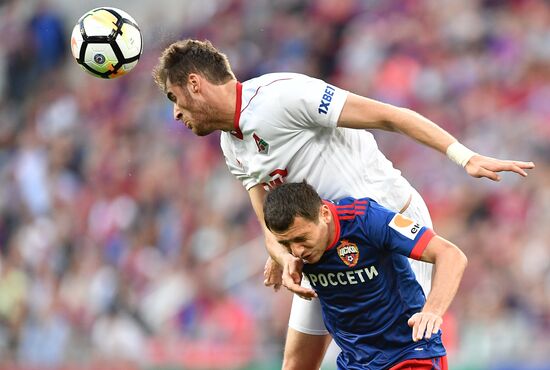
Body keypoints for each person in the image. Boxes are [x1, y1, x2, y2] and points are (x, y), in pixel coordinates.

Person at [152, 39, 534, 370]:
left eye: (174, 98)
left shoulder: (282, 96)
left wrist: (462, 156)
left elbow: (389, 115)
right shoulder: (230, 145)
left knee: (406, 351)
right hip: (323, 250)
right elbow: (268, 225)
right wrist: (283, 258)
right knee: (296, 363)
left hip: (387, 237)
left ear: (194, 83)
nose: (175, 114)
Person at [263, 181, 467, 369]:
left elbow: (451, 255)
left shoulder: (368, 219)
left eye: (302, 239)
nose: (297, 251)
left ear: (324, 214)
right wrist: (278, 257)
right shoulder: (292, 251)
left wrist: (432, 311)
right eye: (286, 243)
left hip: (408, 353)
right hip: (355, 362)